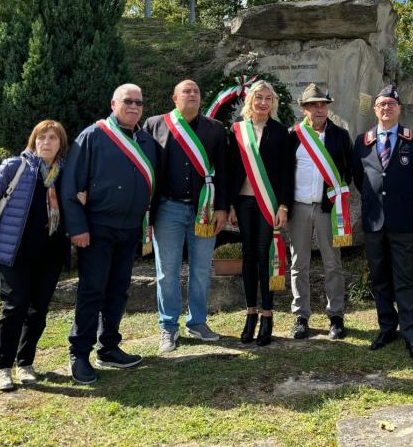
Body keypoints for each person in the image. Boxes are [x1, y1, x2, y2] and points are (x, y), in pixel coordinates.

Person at [61, 83, 160, 384]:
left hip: (130, 228)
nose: (134, 107)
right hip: (97, 228)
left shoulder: (145, 141)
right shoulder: (93, 136)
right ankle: (79, 353)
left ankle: (109, 347)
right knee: (92, 291)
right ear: (113, 103)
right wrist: (77, 227)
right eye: (128, 101)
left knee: (118, 289)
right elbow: (70, 186)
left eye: (139, 103)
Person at [0, 120, 70, 391]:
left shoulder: (64, 173)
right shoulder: (15, 167)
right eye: (41, 138)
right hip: (15, 251)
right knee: (14, 307)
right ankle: (2, 368)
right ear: (33, 141)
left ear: (60, 143)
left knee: (38, 309)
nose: (46, 143)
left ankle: (25, 363)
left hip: (50, 252)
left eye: (52, 138)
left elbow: (73, 204)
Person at [144, 79, 229, 353]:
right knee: (166, 272)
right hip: (167, 208)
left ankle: (198, 322)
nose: (192, 94)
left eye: (196, 91)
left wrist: (222, 208)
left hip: (203, 209)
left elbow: (224, 172)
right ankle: (168, 327)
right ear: (174, 97)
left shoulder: (215, 128)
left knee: (202, 270)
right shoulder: (155, 124)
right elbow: (145, 167)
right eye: (186, 91)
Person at [352, 85, 413, 361]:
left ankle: (412, 335)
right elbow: (358, 179)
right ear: (375, 110)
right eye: (381, 104)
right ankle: (387, 327)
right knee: (380, 278)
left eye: (391, 104)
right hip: (374, 223)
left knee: (406, 279)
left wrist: (407, 203)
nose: (386, 108)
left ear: (399, 109)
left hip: (403, 223)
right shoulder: (362, 142)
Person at [285, 84, 353, 341]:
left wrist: (338, 196)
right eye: (314, 105)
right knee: (298, 264)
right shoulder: (293, 135)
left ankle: (336, 315)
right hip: (299, 207)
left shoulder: (340, 135)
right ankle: (301, 315)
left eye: (323, 104)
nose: (319, 109)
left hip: (328, 209)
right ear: (304, 109)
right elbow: (284, 172)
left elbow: (347, 170)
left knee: (332, 263)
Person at [228, 80, 291, 347]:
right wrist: (229, 204)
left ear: (273, 103)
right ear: (250, 101)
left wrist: (284, 205)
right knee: (248, 256)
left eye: (268, 98)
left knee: (265, 255)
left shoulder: (280, 132)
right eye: (258, 98)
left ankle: (267, 315)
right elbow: (230, 168)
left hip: (269, 203)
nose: (263, 102)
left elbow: (288, 172)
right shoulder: (237, 131)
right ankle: (250, 314)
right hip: (243, 202)